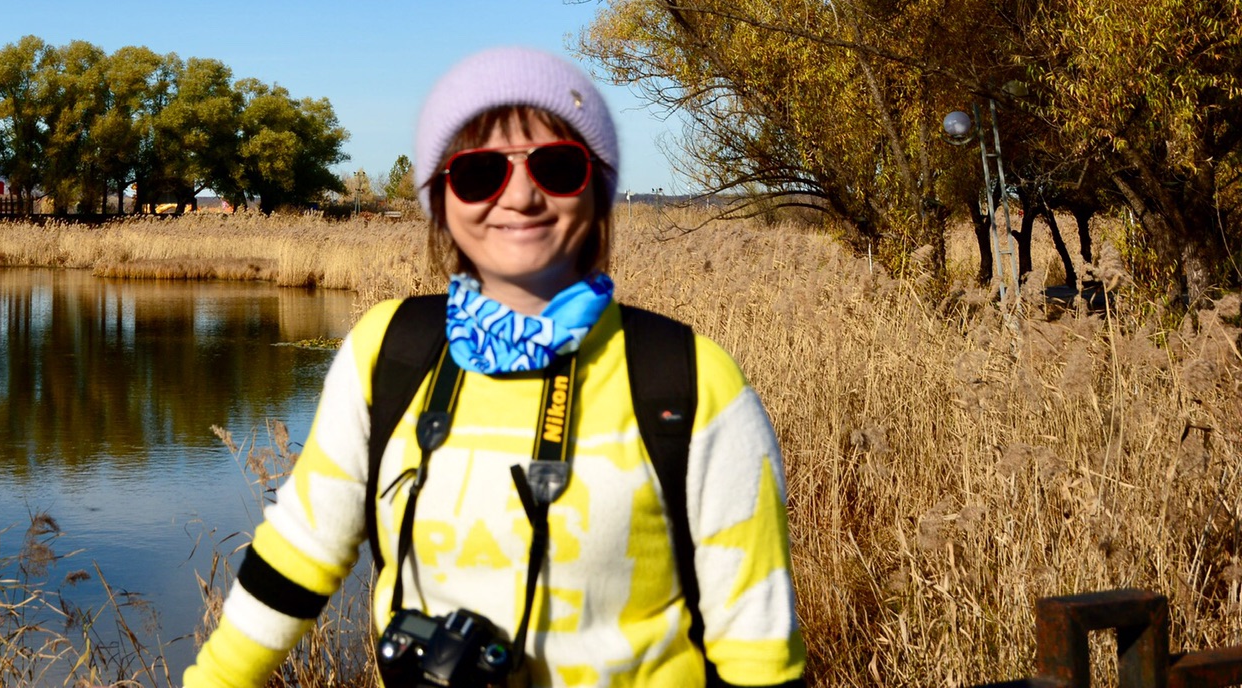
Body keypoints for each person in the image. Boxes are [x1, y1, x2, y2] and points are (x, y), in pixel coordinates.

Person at [185, 46, 804, 688]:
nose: (519, 194)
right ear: (441, 198)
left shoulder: (689, 382)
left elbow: (758, 651)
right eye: (479, 172)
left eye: (558, 167)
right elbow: (301, 551)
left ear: (598, 191)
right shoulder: (387, 351)